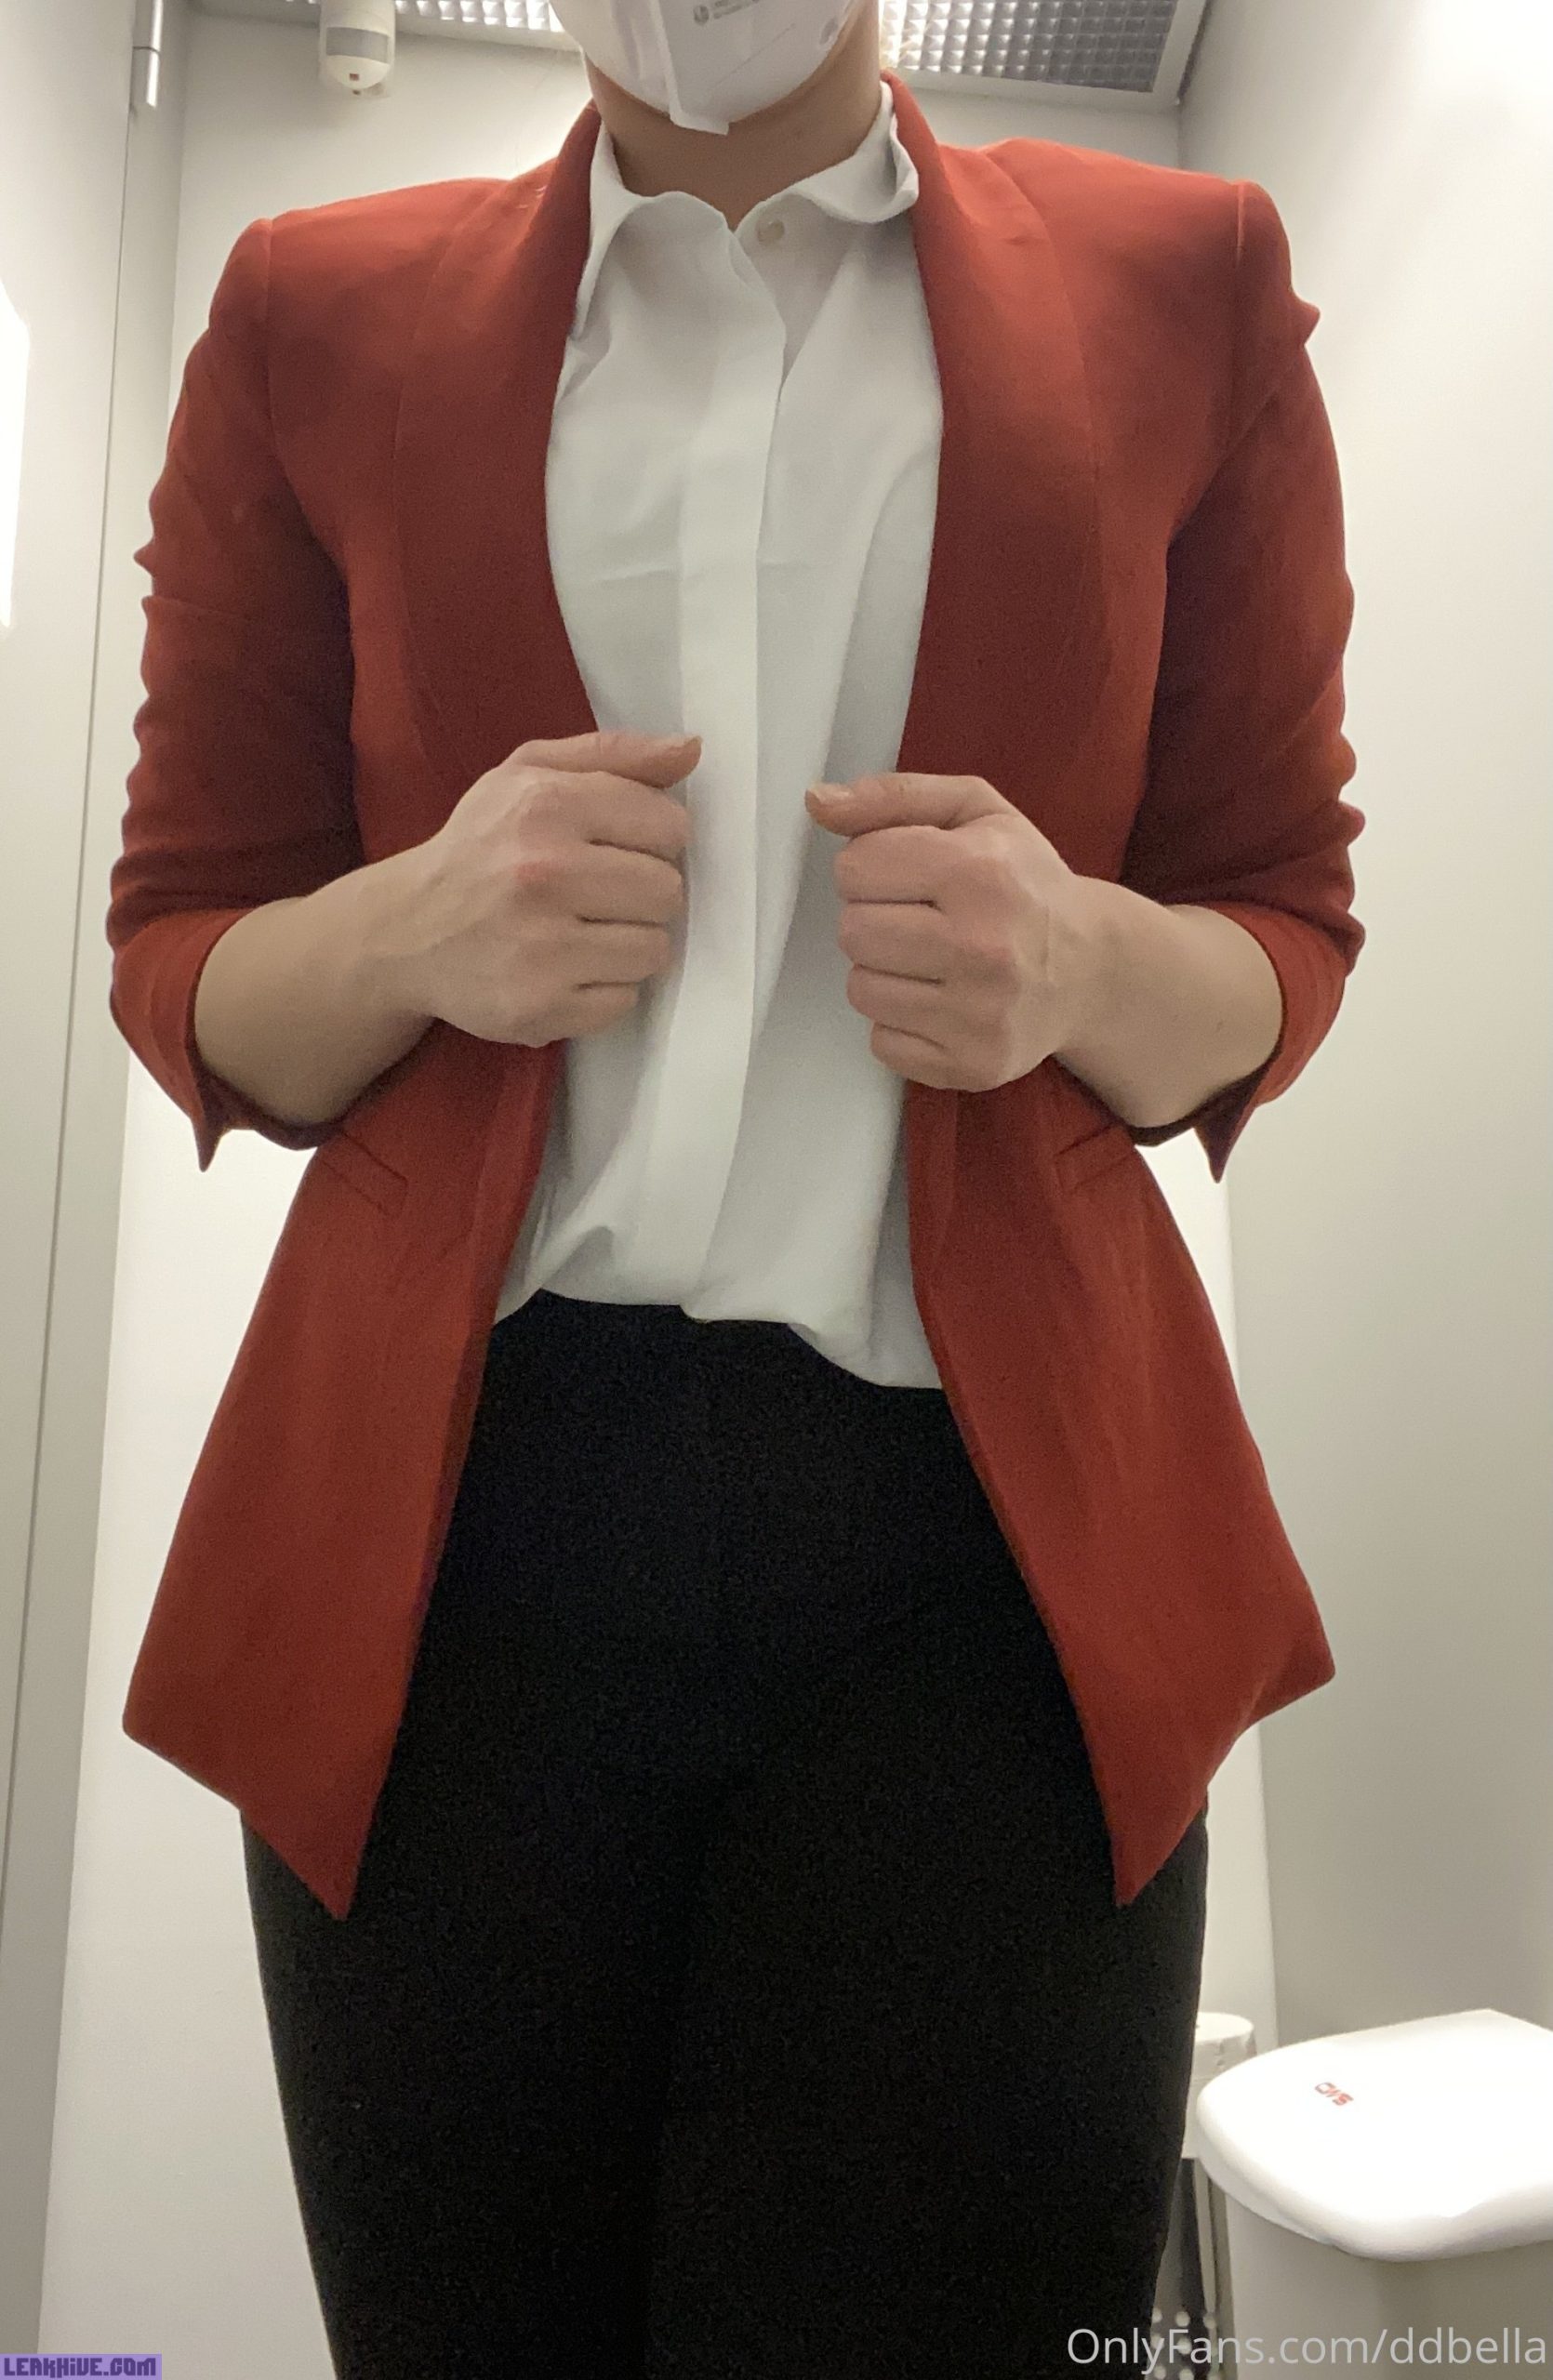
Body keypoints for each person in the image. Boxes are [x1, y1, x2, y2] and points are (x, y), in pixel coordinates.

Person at [105, 0, 1365, 2371]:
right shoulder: (310, 308)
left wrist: (1080, 956)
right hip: (454, 1555)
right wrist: (418, 925)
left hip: (987, 1564)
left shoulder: (1184, 278)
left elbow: (1283, 920)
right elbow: (182, 950)